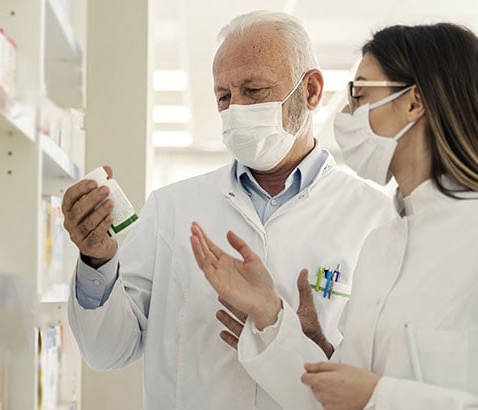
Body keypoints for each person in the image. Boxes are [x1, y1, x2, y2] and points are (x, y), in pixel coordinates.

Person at [192, 22, 478, 409]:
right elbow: (336, 395)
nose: (346, 114)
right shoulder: (382, 244)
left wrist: (381, 397)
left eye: (360, 94)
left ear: (414, 102)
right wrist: (270, 315)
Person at [62, 11, 395, 409]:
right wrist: (96, 261)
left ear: (311, 91)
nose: (235, 108)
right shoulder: (172, 208)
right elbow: (106, 351)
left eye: (253, 90)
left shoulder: (377, 218)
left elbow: (382, 384)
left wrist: (317, 345)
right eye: (224, 96)